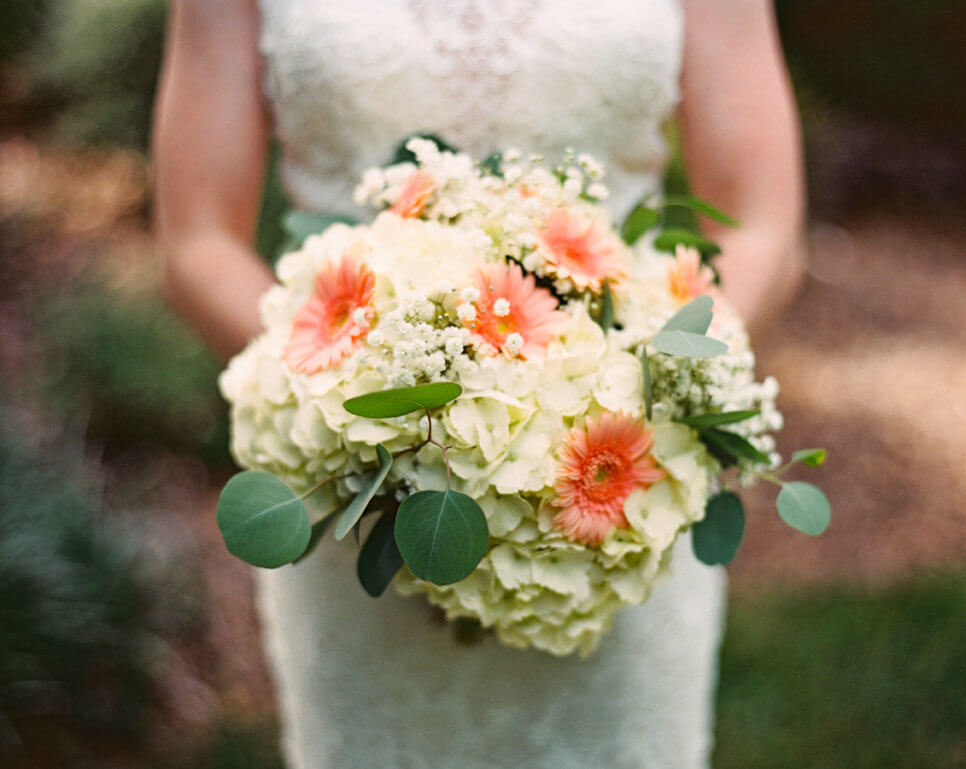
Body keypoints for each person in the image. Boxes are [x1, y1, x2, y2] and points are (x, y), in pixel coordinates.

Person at [153, 1, 805, 767]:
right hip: (355, 491)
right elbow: (195, 238)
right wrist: (367, 405)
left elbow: (762, 225)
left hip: (622, 483)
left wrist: (643, 387)